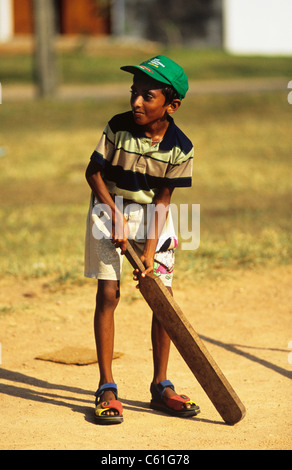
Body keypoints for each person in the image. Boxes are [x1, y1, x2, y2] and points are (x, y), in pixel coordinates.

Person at [84, 55, 200, 424]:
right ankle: (106, 387)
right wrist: (114, 215)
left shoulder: (181, 147)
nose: (136, 102)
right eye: (134, 93)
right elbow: (93, 173)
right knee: (109, 294)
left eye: (147, 96)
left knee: (161, 299)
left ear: (172, 105)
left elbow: (163, 201)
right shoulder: (118, 127)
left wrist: (149, 251)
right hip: (107, 212)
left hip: (154, 220)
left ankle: (161, 385)